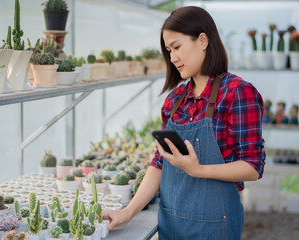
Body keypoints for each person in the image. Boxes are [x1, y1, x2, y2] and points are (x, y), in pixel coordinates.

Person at [102, 6, 265, 240]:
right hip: (171, 224)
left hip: (215, 226)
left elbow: (252, 166)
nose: (173, 57)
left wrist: (198, 170)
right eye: (168, 50)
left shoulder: (237, 92)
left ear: (202, 40)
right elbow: (159, 163)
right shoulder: (175, 100)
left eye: (177, 47)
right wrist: (128, 212)